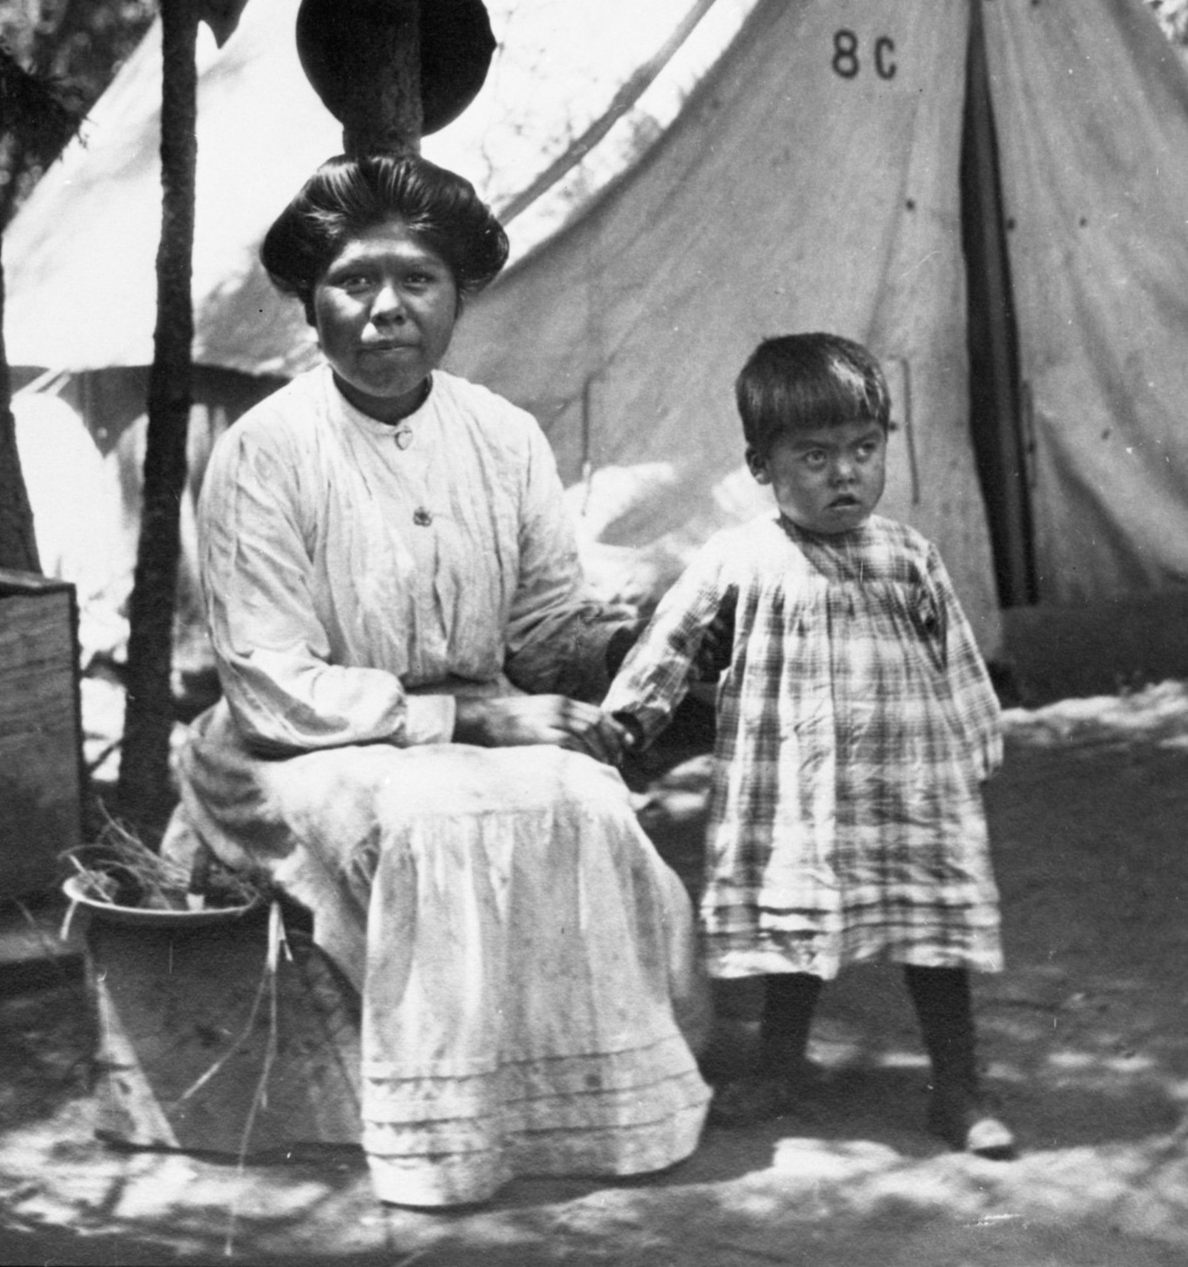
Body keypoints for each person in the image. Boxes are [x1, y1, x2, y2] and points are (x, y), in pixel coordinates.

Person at [170, 154, 710, 1208]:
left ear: (457, 294)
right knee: (424, 822)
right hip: (295, 750)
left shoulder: (502, 438)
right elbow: (271, 686)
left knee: (587, 799)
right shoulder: (264, 453)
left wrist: (634, 659)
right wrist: (467, 711)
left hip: (476, 727)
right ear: (309, 301)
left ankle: (597, 1107)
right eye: (353, 282)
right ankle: (448, 1133)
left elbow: (543, 625)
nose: (384, 311)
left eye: (415, 281)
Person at [604, 332, 1014, 1159]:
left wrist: (975, 744)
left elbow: (957, 655)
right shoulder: (741, 557)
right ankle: (777, 1066)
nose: (845, 474)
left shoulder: (908, 554)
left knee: (931, 932)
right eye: (815, 455)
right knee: (795, 928)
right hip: (793, 790)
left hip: (909, 792)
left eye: (864, 450)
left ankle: (957, 1088)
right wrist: (622, 724)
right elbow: (670, 643)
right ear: (761, 466)